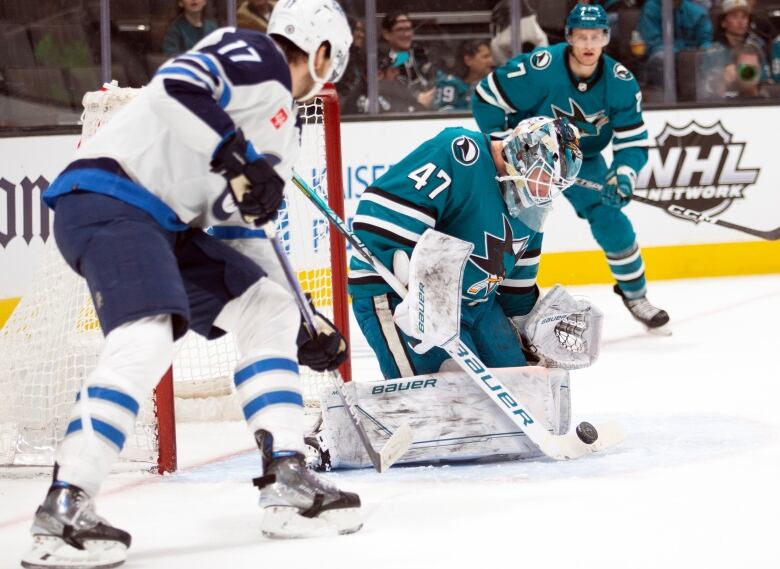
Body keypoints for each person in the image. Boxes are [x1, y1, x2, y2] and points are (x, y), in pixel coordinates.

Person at [21, 2, 358, 567]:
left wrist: (305, 321)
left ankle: (288, 481)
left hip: (167, 226)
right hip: (111, 197)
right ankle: (65, 506)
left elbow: (244, 234)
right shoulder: (256, 55)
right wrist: (232, 156)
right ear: (324, 54)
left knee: (268, 309)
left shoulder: (282, 130)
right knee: (149, 337)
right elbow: (175, 86)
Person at [473, 3, 671, 332]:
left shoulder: (620, 82)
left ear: (607, 38)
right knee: (514, 231)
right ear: (568, 38)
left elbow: (632, 140)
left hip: (583, 161)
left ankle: (636, 296)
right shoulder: (541, 68)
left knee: (611, 218)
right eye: (582, 37)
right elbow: (486, 97)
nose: (589, 44)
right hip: (529, 162)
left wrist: (623, 173)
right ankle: (501, 305)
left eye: (596, 36)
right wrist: (506, 148)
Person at [348, 116, 583, 379]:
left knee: (522, 384)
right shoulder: (460, 152)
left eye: (555, 185)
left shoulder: (532, 207)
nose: (546, 190)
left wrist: (533, 325)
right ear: (523, 152)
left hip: (478, 306)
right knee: (450, 398)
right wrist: (413, 292)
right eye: (544, 175)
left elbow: (515, 289)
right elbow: (377, 214)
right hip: (400, 295)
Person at [637, 0, 713, 87]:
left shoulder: (697, 12)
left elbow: (706, 41)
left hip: (691, 58)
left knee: (708, 56)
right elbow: (652, 42)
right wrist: (681, 53)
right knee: (660, 58)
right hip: (662, 57)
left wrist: (700, 52)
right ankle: (663, 95)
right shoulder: (651, 8)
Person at [379, 11, 436, 110]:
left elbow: (436, 80)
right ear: (387, 34)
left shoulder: (423, 55)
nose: (406, 34)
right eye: (400, 29)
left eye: (408, 29)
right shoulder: (381, 64)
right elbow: (384, 94)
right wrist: (416, 99)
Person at [434, 39, 495, 111]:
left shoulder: (495, 82)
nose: (491, 61)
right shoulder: (450, 84)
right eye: (485, 57)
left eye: (490, 56)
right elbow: (444, 114)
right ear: (468, 60)